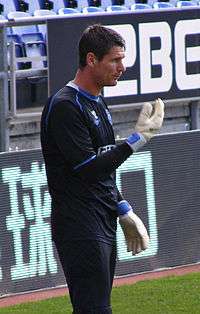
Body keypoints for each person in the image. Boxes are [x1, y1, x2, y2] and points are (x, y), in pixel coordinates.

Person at [40, 24, 164, 314]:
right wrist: (136, 141)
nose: (122, 67)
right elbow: (89, 168)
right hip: (79, 225)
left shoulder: (96, 102)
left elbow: (103, 169)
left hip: (100, 218)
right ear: (92, 59)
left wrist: (122, 208)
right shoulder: (65, 107)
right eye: (115, 60)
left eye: (122, 59)